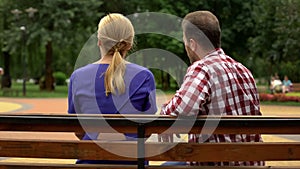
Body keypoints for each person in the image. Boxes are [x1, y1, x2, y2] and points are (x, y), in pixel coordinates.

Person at [160, 11, 264, 166]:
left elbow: (180, 111)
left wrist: (164, 112)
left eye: (185, 42)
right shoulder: (243, 70)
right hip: (250, 163)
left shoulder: (202, 68)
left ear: (193, 44)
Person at [68, 13, 157, 165]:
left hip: (90, 161)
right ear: (129, 44)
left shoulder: (77, 76)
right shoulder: (144, 76)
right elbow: (147, 130)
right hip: (132, 162)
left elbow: (78, 129)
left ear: (99, 41)